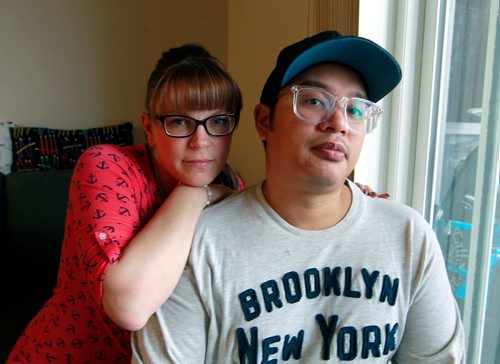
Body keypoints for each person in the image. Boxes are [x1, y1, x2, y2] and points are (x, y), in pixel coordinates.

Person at [131, 30, 466, 363]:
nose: (338, 123)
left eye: (356, 110)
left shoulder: (407, 236)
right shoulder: (199, 245)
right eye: (314, 101)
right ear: (264, 121)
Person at [8, 44, 244, 363]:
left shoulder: (232, 187)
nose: (200, 141)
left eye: (218, 121)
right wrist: (196, 192)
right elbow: (129, 308)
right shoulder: (106, 166)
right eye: (178, 122)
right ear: (148, 127)